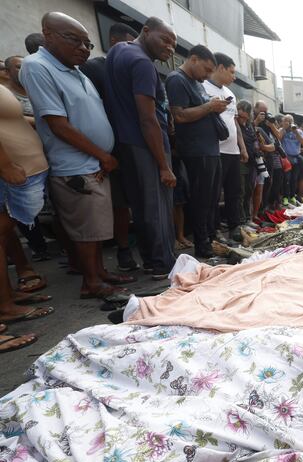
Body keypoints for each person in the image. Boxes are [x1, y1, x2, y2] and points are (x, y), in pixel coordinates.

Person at [21, 12, 135, 299]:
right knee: (85, 230)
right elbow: (57, 124)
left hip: (93, 161)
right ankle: (91, 282)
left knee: (95, 228)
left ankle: (99, 273)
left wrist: (102, 155)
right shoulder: (37, 67)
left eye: (88, 44)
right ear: (48, 35)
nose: (83, 49)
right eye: (74, 40)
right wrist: (102, 155)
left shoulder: (75, 70)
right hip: (75, 165)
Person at [104, 16, 178, 279]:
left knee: (142, 206)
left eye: (173, 44)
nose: (170, 48)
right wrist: (163, 165)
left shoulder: (117, 51)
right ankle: (162, 263)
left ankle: (150, 260)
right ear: (146, 31)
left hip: (127, 143)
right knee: (158, 207)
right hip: (147, 145)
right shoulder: (142, 63)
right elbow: (148, 119)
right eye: (165, 40)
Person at [82, 21, 141, 273]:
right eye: (130, 44)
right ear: (115, 43)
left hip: (132, 145)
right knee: (115, 204)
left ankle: (136, 246)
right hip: (107, 151)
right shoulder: (94, 69)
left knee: (133, 200)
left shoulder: (133, 68)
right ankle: (121, 250)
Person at [0, 83, 55, 338]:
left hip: (21, 169)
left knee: (5, 235)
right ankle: (5, 306)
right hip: (11, 171)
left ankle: (7, 296)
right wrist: (6, 165)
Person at [165, 45, 228, 259]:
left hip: (211, 149)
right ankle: (202, 244)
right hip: (196, 151)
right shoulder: (177, 80)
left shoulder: (197, 83)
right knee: (201, 199)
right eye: (206, 69)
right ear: (193, 59)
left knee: (211, 199)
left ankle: (210, 238)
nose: (208, 75)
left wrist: (213, 107)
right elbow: (179, 116)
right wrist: (210, 107)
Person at [202, 52, 248, 241]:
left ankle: (235, 226)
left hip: (233, 151)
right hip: (215, 151)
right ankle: (214, 231)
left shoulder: (230, 94)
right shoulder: (203, 89)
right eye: (231, 72)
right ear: (220, 68)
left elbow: (234, 123)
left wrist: (242, 147)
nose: (234, 77)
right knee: (213, 194)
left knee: (234, 191)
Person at [277, 114, 303, 206]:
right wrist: (284, 128)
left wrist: (295, 132)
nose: (288, 123)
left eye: (289, 121)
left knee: (294, 178)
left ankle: (292, 196)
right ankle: (285, 197)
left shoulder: (298, 131)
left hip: (296, 157)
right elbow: (278, 138)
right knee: (287, 178)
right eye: (285, 121)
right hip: (286, 158)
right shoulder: (281, 130)